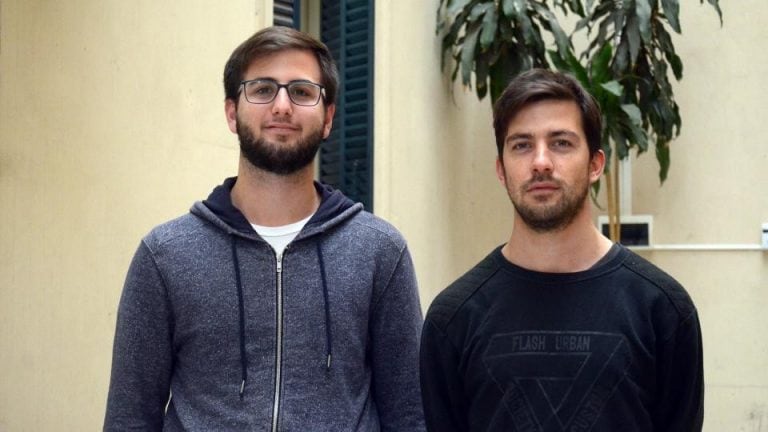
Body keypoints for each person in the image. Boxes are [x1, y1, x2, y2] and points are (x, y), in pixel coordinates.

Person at [104, 26, 425, 431]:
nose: (282, 106)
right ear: (231, 112)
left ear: (328, 118)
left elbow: (409, 414)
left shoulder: (379, 251)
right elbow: (129, 418)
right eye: (262, 89)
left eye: (302, 92)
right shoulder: (165, 255)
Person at [419, 69, 704, 431]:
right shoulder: (453, 319)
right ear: (501, 170)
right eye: (521, 144)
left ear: (595, 164)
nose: (540, 162)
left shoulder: (662, 309)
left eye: (561, 143)